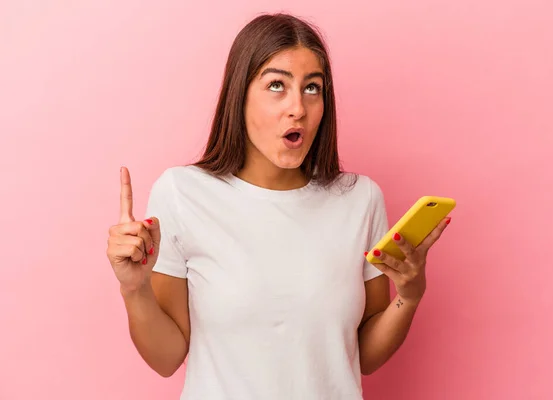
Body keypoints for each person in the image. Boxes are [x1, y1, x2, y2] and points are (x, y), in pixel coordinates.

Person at [106, 12, 450, 400]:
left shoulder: (360, 199)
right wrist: (134, 290)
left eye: (312, 88)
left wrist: (410, 294)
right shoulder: (183, 194)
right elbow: (166, 358)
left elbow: (363, 357)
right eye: (276, 85)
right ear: (241, 94)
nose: (297, 108)